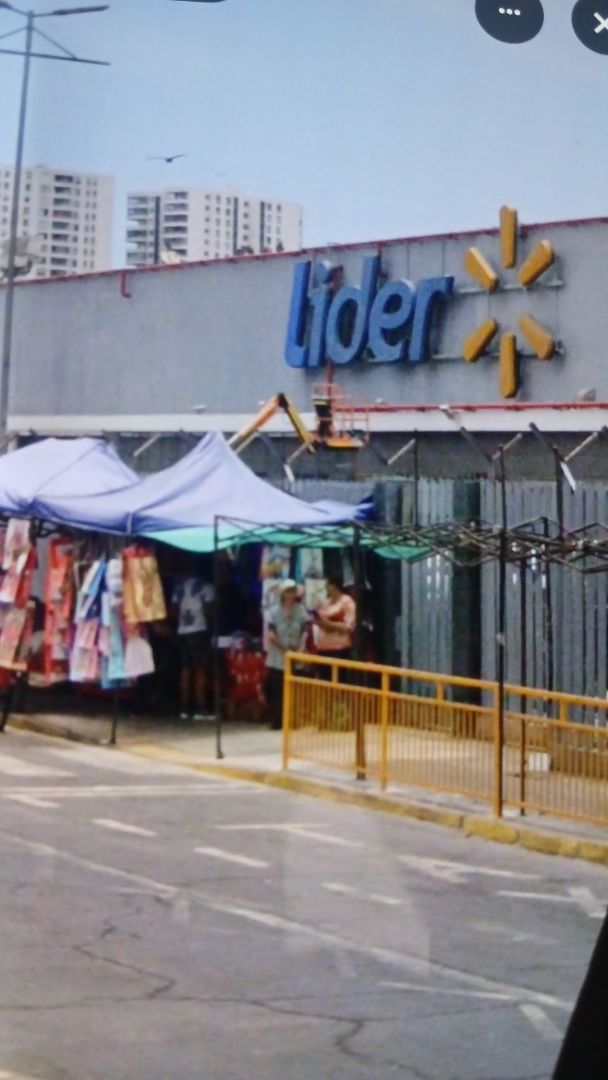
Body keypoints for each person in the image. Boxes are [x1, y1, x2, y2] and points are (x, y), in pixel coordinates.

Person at [266, 579, 308, 731]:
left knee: (295, 688)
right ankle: (277, 720)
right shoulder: (273, 611)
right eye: (288, 591)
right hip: (279, 654)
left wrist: (301, 647)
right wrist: (285, 649)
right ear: (282, 594)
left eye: (293, 591)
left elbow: (304, 630)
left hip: (296, 653)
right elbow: (271, 634)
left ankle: (293, 719)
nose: (290, 594)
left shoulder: (300, 610)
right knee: (278, 689)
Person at [172, 571, 214, 720]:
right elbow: (209, 610)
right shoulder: (206, 586)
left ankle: (185, 708)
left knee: (186, 669)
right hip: (199, 630)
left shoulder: (179, 587)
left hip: (182, 630)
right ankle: (200, 707)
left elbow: (174, 610)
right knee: (200, 669)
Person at [314, 573, 356, 663]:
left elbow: (348, 627)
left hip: (339, 649)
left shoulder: (346, 602)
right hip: (323, 648)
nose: (325, 587)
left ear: (334, 586)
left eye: (327, 585)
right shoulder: (326, 603)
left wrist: (329, 624)